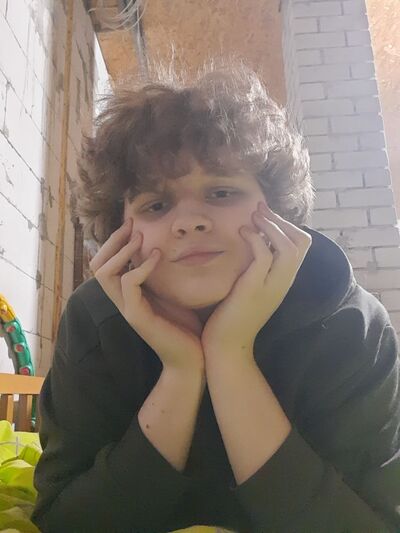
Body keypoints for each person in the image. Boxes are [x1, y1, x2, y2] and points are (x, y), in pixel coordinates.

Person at [31, 59, 400, 533]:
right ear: (118, 234)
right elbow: (65, 522)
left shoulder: (354, 325)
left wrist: (230, 355)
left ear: (279, 212)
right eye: (156, 204)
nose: (190, 222)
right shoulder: (92, 321)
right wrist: (182, 371)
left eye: (222, 193)